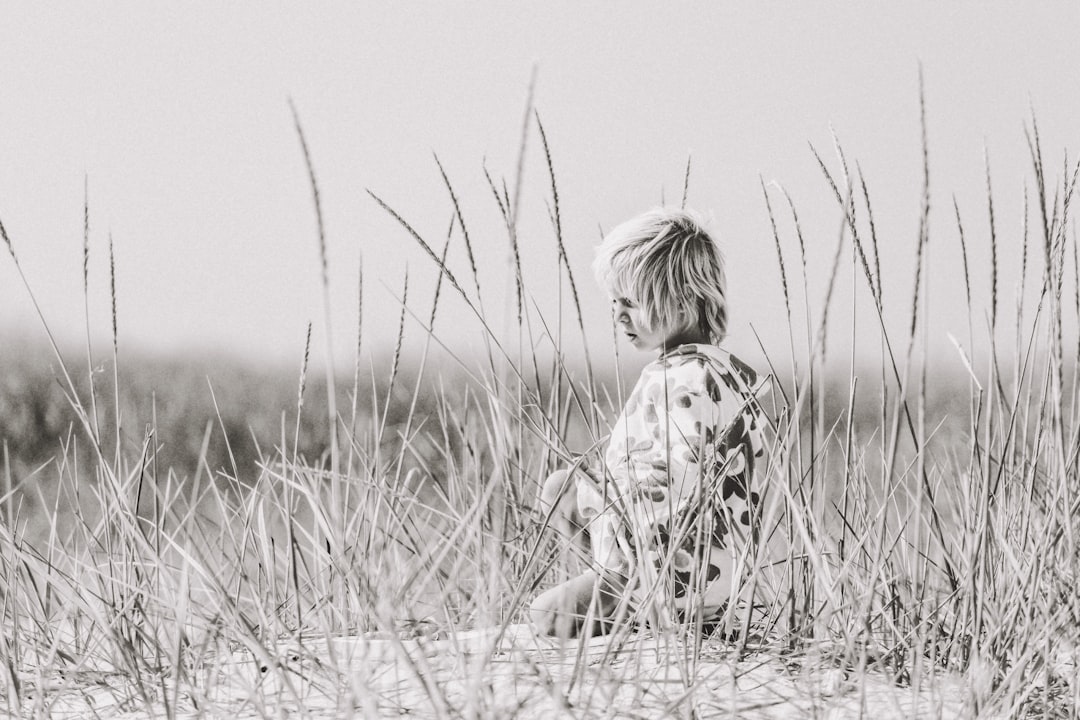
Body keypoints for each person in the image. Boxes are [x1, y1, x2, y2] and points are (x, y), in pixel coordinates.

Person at [530, 207, 769, 639]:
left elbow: (683, 484)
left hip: (677, 569)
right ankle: (618, 585)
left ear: (681, 299)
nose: (618, 316)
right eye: (614, 302)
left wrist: (614, 504)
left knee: (547, 615)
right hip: (676, 555)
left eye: (631, 303)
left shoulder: (689, 383)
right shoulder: (712, 372)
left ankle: (643, 609)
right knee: (559, 489)